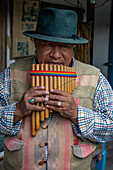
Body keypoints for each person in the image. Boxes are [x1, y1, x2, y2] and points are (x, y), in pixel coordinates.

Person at [0, 7, 113, 170]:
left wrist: (76, 114)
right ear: (35, 44)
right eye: (48, 44)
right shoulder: (10, 75)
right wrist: (18, 110)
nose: (56, 54)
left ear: (73, 48)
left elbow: (110, 127)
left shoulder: (95, 78)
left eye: (64, 46)